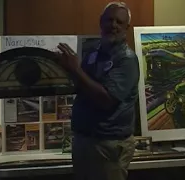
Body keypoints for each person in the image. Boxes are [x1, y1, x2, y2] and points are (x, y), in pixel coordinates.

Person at [56, 2, 139, 180]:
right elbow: (81, 85)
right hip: (85, 141)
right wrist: (64, 70)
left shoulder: (127, 60)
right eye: (109, 20)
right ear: (101, 22)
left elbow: (106, 100)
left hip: (109, 147)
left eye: (119, 22)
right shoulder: (93, 52)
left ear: (127, 27)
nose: (113, 25)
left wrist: (76, 69)